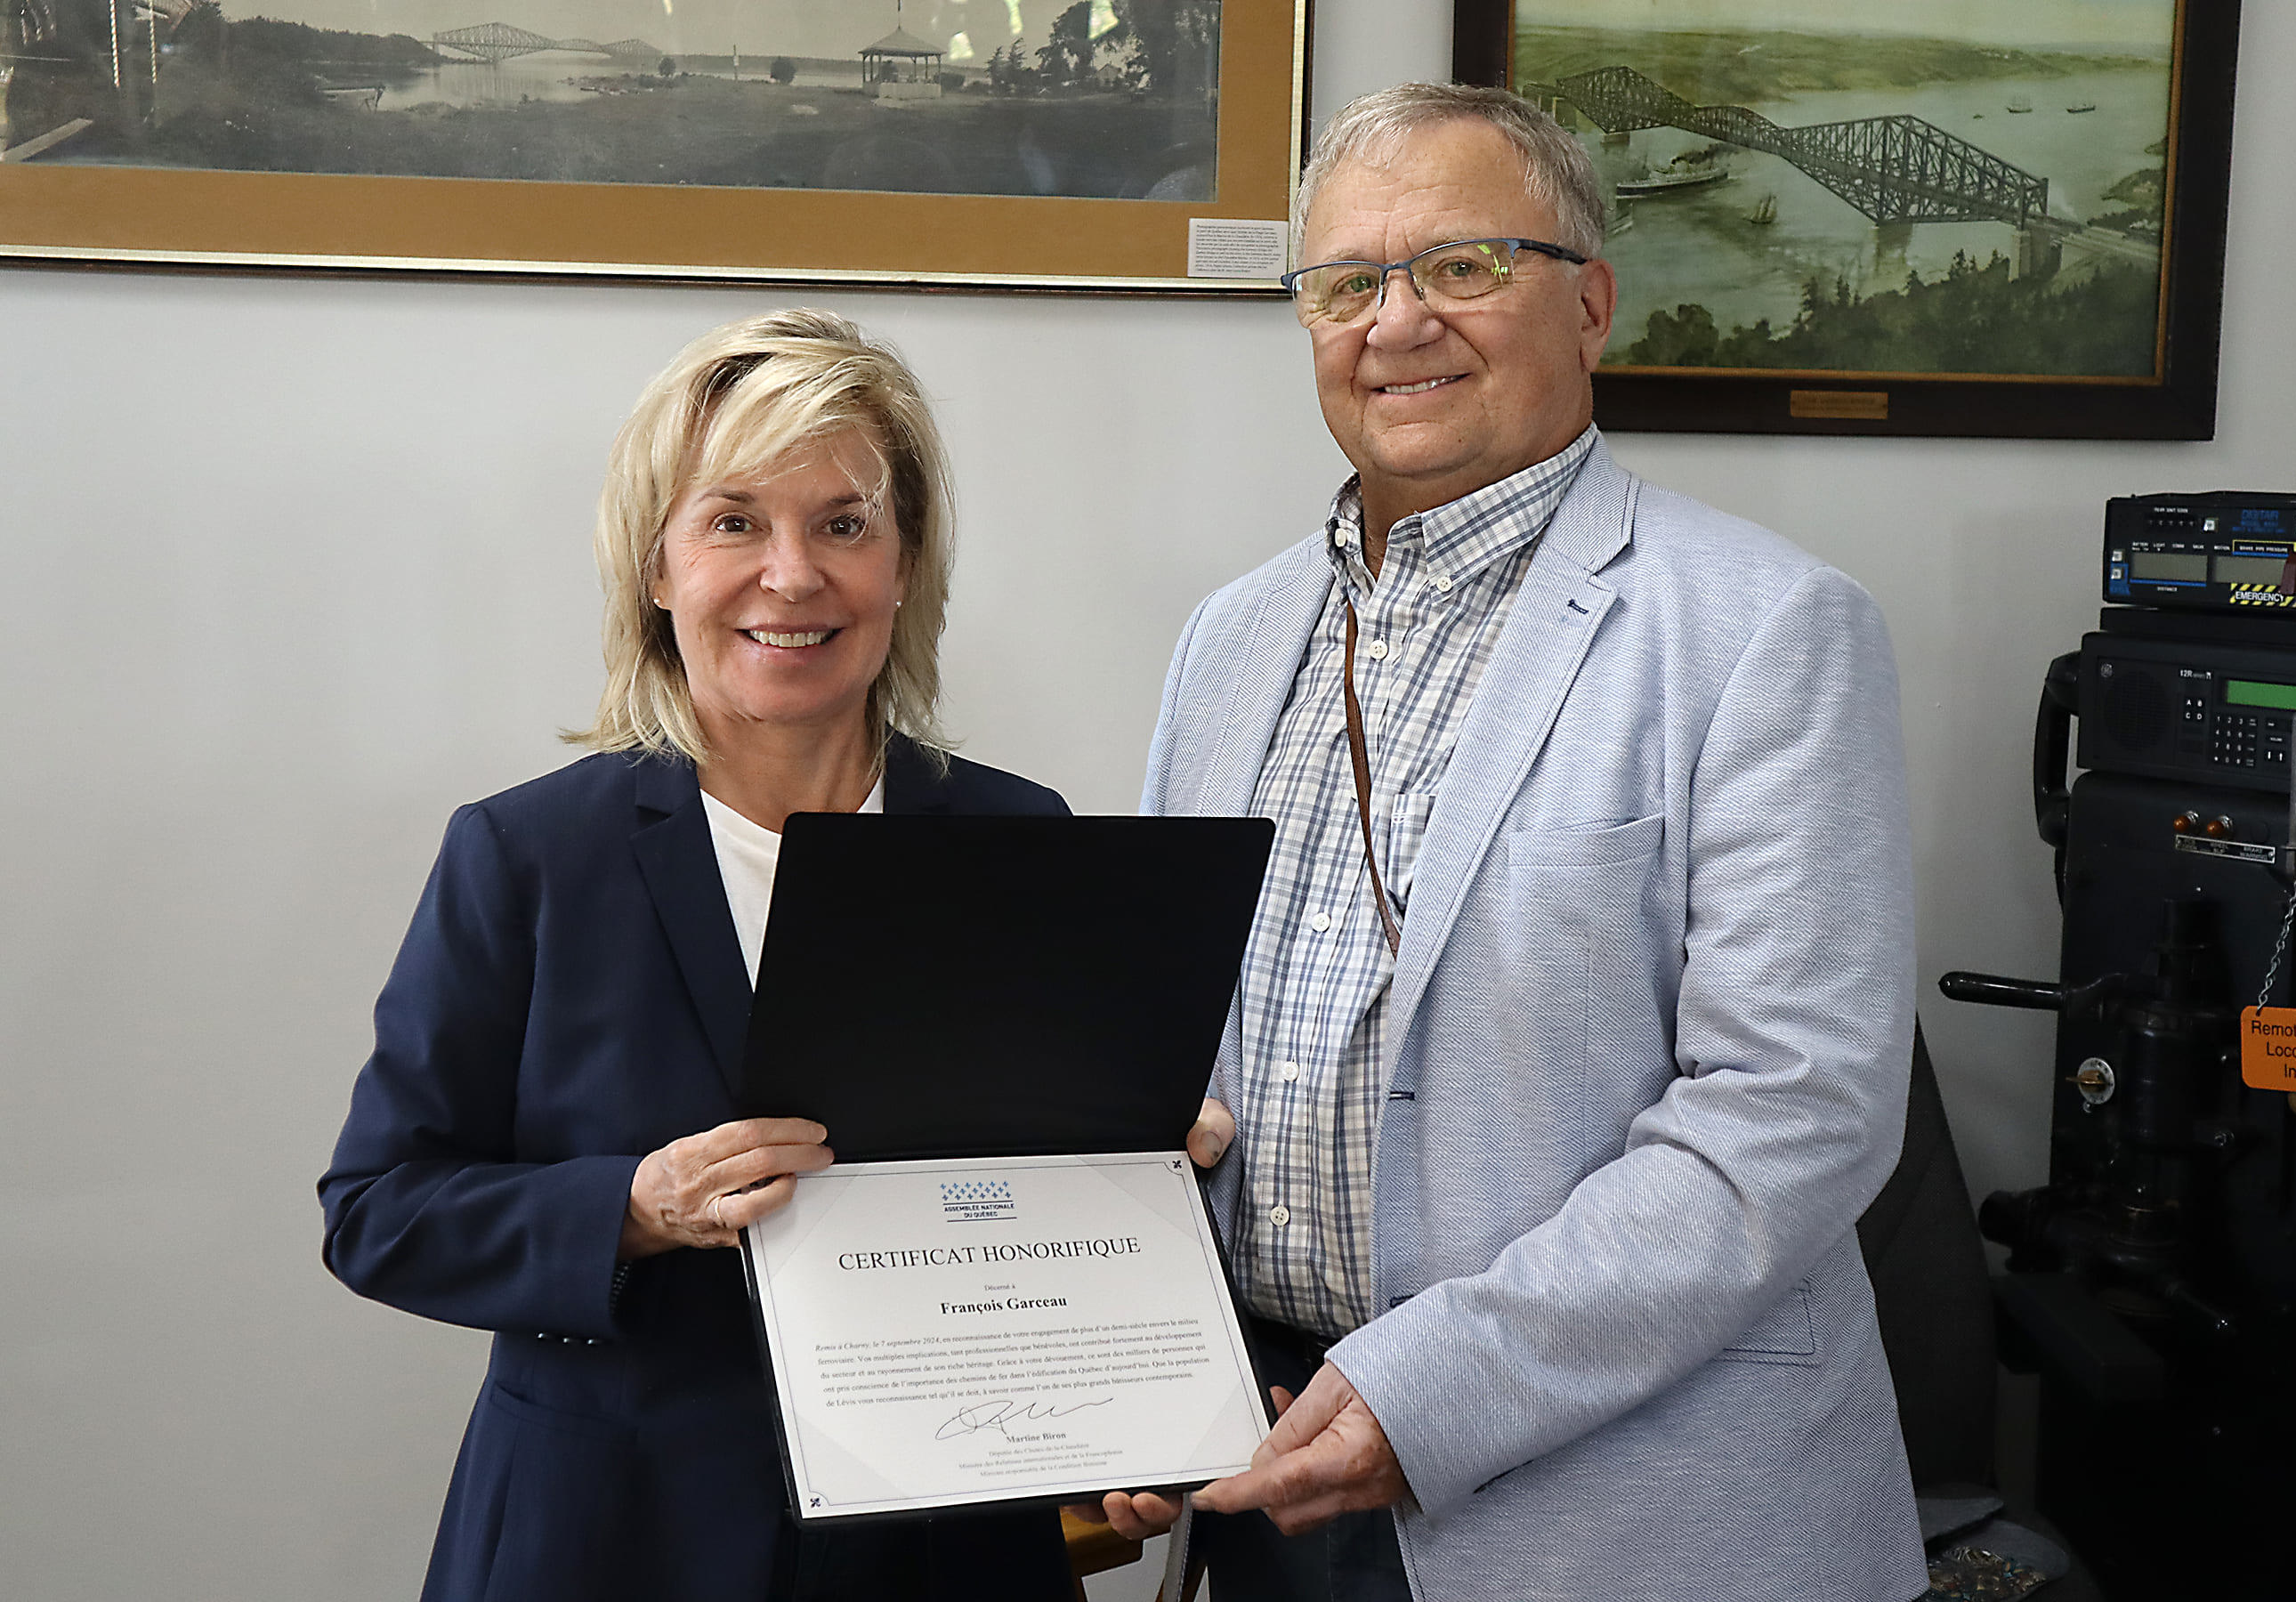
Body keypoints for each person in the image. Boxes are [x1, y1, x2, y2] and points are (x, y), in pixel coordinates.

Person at [1115, 85, 1926, 1600]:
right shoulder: (1228, 644)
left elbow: (1795, 1111)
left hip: (1623, 1516)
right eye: (1347, 283)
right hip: (1268, 1472)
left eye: (1463, 266)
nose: (1396, 322)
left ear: (1592, 304)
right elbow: (1178, 1057)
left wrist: (1429, 1395)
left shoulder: (1765, 632)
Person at [319, 309, 1077, 1602]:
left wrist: (1141, 1153)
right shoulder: (528, 855)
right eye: (734, 522)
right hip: (611, 1539)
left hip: (944, 1546)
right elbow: (379, 1211)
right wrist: (631, 1208)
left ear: (907, 566)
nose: (793, 575)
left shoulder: (1023, 838)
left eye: (844, 524)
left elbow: (1047, 1198)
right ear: (657, 566)